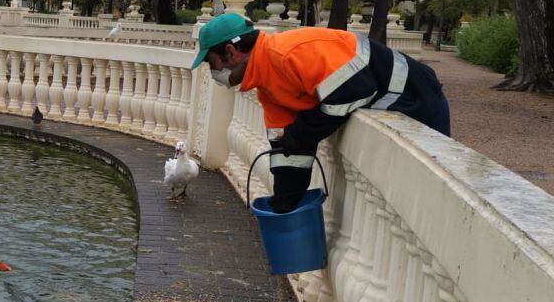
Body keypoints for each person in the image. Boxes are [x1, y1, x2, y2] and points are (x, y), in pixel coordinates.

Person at [192, 13, 450, 213]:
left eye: (212, 63)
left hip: (421, 100)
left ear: (231, 52)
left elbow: (355, 91)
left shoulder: (291, 53)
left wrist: (301, 133)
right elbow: (287, 151)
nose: (214, 73)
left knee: (432, 196)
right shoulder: (267, 85)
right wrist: (284, 203)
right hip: (396, 104)